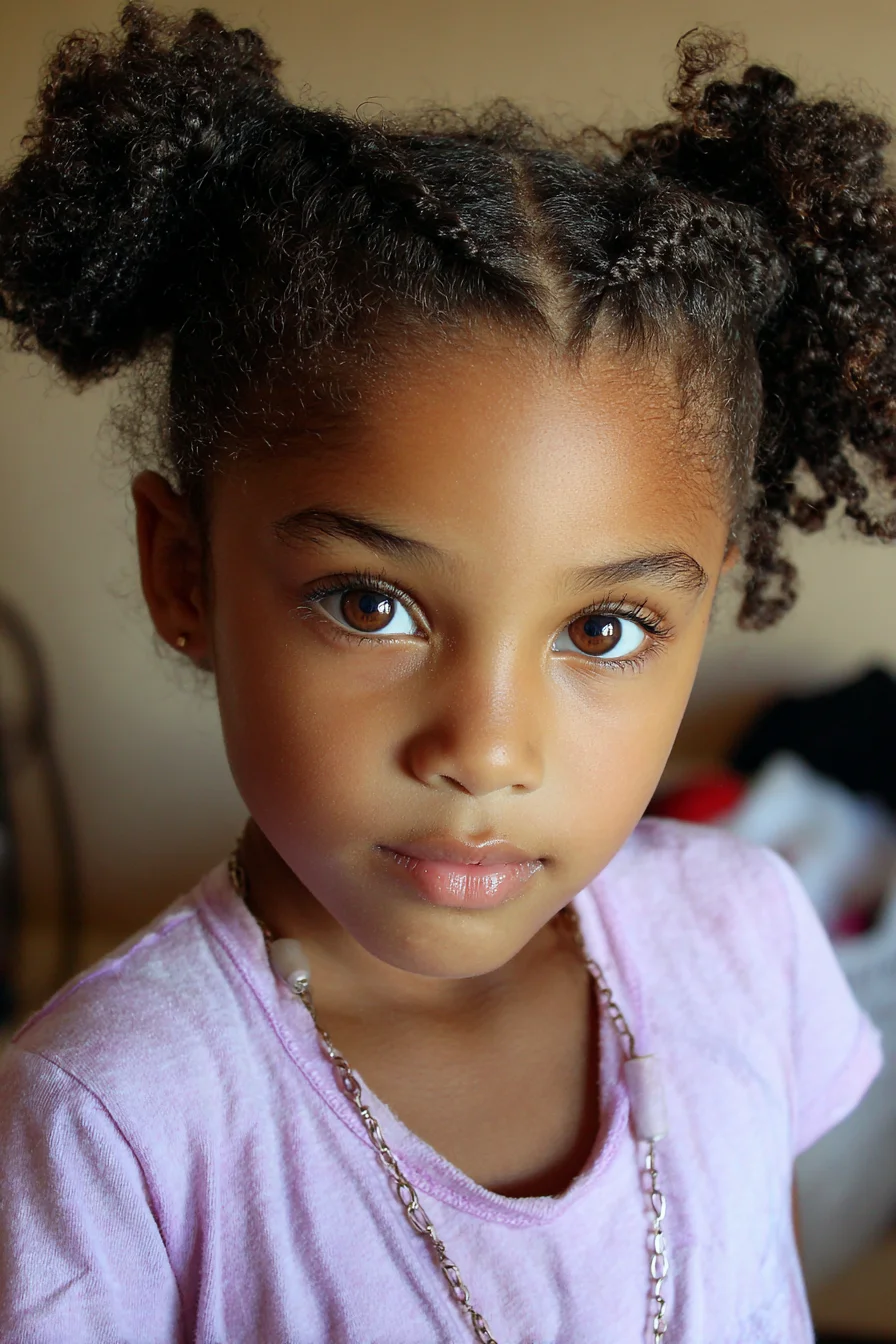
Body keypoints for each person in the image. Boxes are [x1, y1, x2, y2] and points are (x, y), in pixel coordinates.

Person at [0, 6, 892, 1342]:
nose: (485, 747)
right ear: (183, 572)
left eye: (603, 631)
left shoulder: (745, 938)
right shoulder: (112, 1124)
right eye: (373, 604)